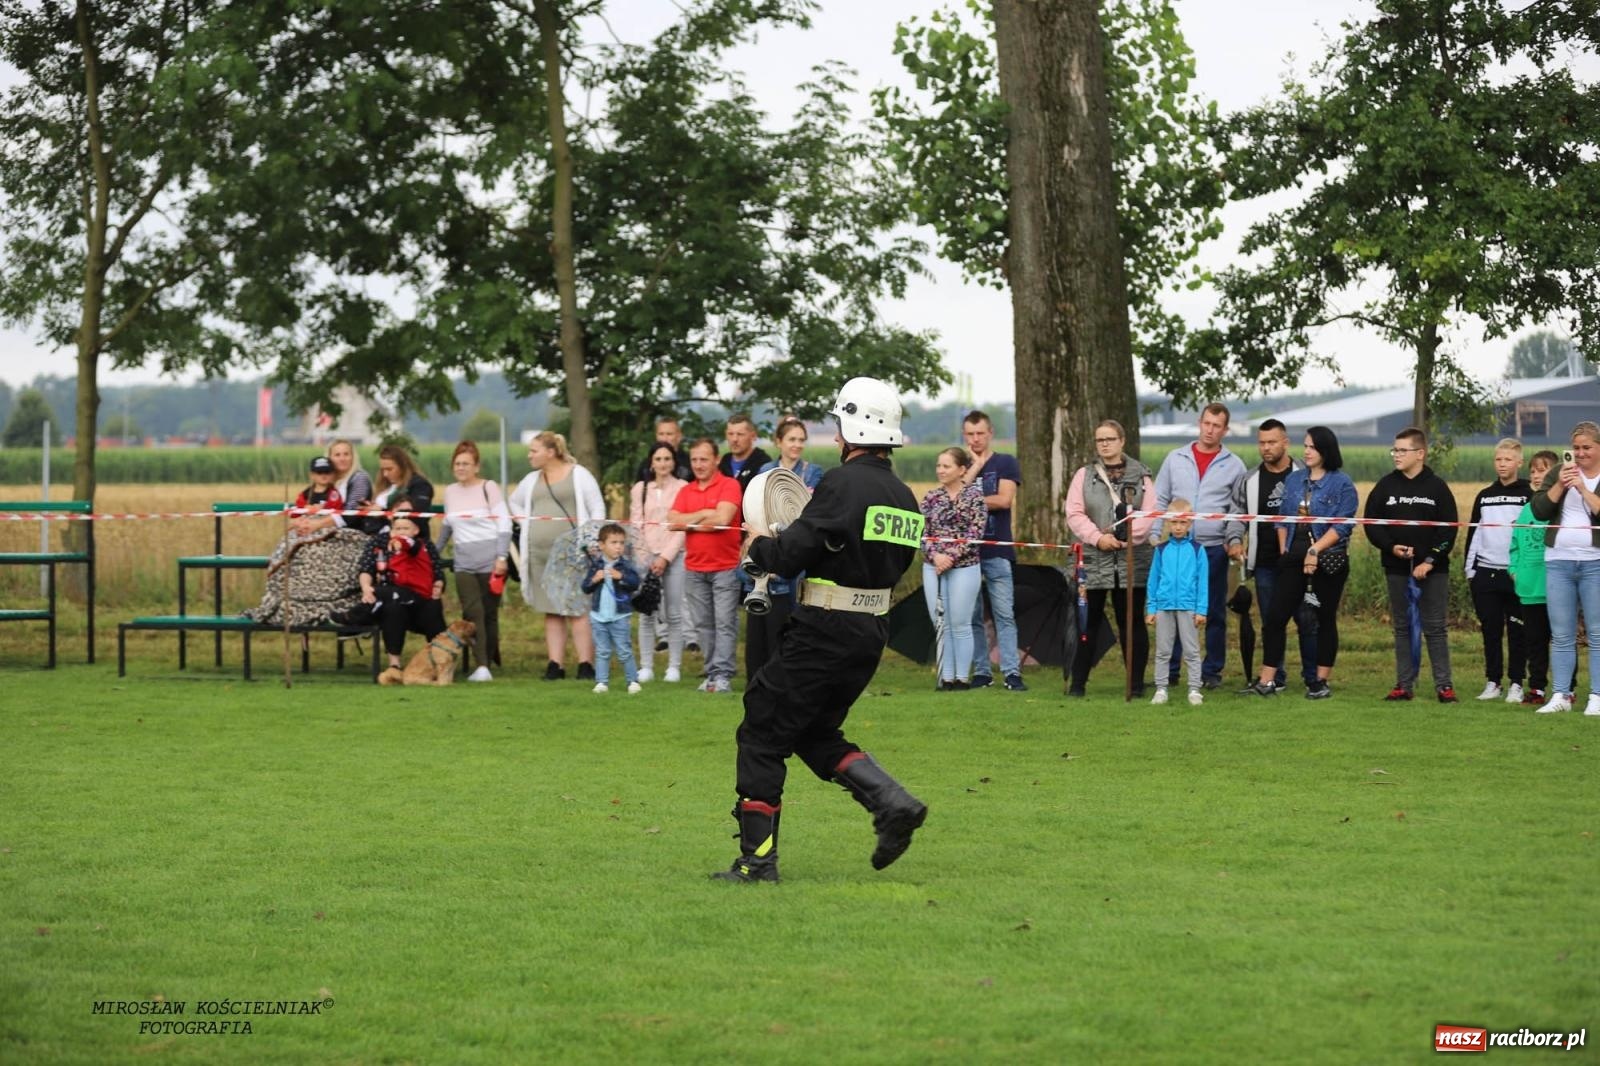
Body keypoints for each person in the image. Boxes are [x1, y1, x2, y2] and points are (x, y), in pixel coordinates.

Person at [713, 376, 927, 883]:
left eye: (839, 426)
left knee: (761, 729)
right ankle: (891, 802)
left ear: (855, 429)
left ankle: (756, 862)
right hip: (870, 630)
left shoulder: (840, 483)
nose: (835, 436)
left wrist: (758, 545)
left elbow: (789, 555)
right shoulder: (905, 497)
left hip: (825, 626)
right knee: (812, 731)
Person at [1245, 426, 1359, 701]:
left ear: (1325, 450)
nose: (1306, 451)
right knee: (1275, 618)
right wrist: (1285, 550)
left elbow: (1342, 526)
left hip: (1328, 559)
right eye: (1305, 446)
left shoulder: (1342, 483)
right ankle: (1267, 680)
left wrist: (1315, 550)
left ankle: (1319, 681)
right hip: (1293, 558)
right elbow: (1282, 519)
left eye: (1312, 447)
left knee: (1322, 618)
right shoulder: (1295, 480)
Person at [1154, 403, 1247, 689]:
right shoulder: (1175, 458)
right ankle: (1171, 671)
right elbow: (1160, 499)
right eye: (1207, 423)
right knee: (1173, 606)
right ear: (1199, 423)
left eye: (1216, 426)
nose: (1210, 430)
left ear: (1225, 430)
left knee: (1214, 610)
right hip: (1176, 546)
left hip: (1213, 548)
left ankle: (1211, 672)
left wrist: (1233, 540)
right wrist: (1156, 535)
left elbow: (1237, 509)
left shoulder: (1235, 465)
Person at [1364, 426, 1459, 703]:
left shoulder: (1437, 488)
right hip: (1397, 568)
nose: (1396, 455)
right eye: (1394, 450)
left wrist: (1429, 560)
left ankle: (1444, 686)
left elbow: (1448, 530)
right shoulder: (1385, 486)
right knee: (1402, 627)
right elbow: (1372, 524)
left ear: (1420, 453)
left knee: (1435, 628)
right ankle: (1404, 685)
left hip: (1433, 570)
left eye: (1402, 450)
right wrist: (1391, 547)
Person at [1064, 419, 1156, 698]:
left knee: (1132, 623)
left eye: (1110, 439)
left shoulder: (1142, 475)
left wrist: (1127, 538)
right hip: (1094, 559)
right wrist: (1097, 538)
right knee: (1087, 622)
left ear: (1122, 441)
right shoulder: (1084, 475)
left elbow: (1149, 513)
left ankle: (1135, 685)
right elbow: (1074, 513)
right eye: (1099, 440)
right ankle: (1078, 684)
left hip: (1132, 559)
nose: (1104, 444)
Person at [1225, 419, 1315, 692]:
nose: (1266, 448)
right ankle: (1276, 677)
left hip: (1300, 562)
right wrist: (1234, 540)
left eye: (1272, 442)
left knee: (1306, 620)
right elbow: (1237, 515)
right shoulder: (1249, 479)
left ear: (1285, 443)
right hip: (1265, 563)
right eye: (1262, 443)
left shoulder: (1307, 474)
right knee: (1271, 622)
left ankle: (1313, 678)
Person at [509, 431, 605, 681]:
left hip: (572, 554)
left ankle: (586, 664)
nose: (529, 455)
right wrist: (527, 523)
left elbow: (597, 507)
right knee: (550, 609)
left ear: (551, 452)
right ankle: (555, 664)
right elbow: (514, 502)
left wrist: (592, 539)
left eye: (534, 450)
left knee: (577, 607)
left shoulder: (579, 474)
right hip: (539, 554)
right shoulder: (531, 480)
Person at [744, 417, 827, 679]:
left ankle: (789, 675)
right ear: (778, 441)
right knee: (759, 624)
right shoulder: (765, 470)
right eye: (792, 439)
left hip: (795, 551)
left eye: (801, 440)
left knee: (789, 620)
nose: (797, 445)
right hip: (764, 545)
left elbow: (811, 513)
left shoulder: (813, 473)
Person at [1530, 421, 1600, 716]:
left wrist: (1582, 488)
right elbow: (1539, 511)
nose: (1580, 453)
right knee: (1561, 634)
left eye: (1587, 448)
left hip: (1595, 563)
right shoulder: (1559, 472)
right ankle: (1561, 695)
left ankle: (1597, 696)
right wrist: (1560, 484)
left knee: (1597, 633)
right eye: (1576, 448)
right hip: (1558, 561)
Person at [669, 438, 743, 693]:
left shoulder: (729, 485)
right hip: (694, 568)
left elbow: (722, 519)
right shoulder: (686, 490)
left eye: (704, 459)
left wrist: (690, 520)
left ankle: (723, 675)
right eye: (694, 460)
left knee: (724, 622)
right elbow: (672, 522)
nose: (698, 465)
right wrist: (703, 513)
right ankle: (711, 673)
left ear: (716, 460)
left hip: (726, 567)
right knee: (702, 624)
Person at [1463, 438, 1533, 702]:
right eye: (1498, 459)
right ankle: (1493, 681)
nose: (1502, 464)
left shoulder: (1529, 494)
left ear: (1519, 462)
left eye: (1508, 459)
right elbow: (1474, 534)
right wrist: (1471, 571)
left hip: (1516, 574)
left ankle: (1516, 682)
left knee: (1518, 631)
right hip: (1485, 572)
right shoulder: (1484, 496)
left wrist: (1526, 571)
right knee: (1490, 631)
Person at [436, 440, 511, 681]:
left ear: (476, 467)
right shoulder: (450, 492)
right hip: (464, 563)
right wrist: (434, 552)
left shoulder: (489, 488)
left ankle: (486, 663)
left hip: (491, 561)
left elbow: (504, 523)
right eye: (457, 463)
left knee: (489, 614)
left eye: (466, 463)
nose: (461, 468)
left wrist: (502, 557)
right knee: (473, 612)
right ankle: (482, 666)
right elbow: (447, 525)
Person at [962, 409, 1026, 691]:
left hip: (997, 550)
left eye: (980, 433)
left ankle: (1011, 673)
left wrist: (968, 501)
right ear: (964, 435)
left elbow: (1004, 500)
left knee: (1004, 614)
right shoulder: (959, 463)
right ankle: (982, 672)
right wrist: (972, 469)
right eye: (970, 434)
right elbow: (949, 499)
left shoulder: (1005, 462)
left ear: (990, 433)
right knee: (972, 616)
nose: (975, 439)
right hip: (965, 555)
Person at [920, 446, 987, 690]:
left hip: (965, 566)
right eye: (939, 465)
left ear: (961, 470)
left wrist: (950, 557)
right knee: (941, 623)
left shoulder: (974, 497)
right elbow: (920, 531)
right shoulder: (930, 498)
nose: (941, 470)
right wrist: (935, 556)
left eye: (946, 466)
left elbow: (975, 532)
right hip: (933, 566)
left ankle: (961, 678)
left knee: (960, 622)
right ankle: (945, 678)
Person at [357, 507, 447, 677]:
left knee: (433, 606)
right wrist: (366, 587)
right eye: (397, 528)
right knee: (393, 608)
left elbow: (437, 572)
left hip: (419, 596)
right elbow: (365, 569)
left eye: (406, 528)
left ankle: (439, 661)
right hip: (389, 595)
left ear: (416, 530)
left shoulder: (422, 545)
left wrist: (438, 585)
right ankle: (394, 665)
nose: (401, 532)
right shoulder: (378, 542)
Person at [630, 442, 688, 683]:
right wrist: (645, 557)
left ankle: (674, 666)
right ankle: (646, 666)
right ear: (651, 463)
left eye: (667, 459)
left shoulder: (683, 487)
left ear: (673, 462)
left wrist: (665, 557)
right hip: (646, 556)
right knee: (646, 613)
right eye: (658, 459)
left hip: (675, 556)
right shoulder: (640, 488)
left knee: (674, 613)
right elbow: (636, 524)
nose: (663, 463)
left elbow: (682, 527)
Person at [1146, 499, 1208, 706]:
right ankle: (1161, 688)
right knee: (1163, 651)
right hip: (1164, 607)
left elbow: (1203, 582)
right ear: (1168, 523)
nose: (1178, 527)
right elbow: (1153, 580)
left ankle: (1194, 689)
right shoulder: (1161, 550)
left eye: (1183, 522)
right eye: (1174, 522)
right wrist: (1151, 608)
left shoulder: (1198, 550)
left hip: (1188, 606)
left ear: (1190, 523)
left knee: (1191, 651)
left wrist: (1201, 610)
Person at [1509, 450, 1559, 707]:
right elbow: (1515, 545)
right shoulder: (1526, 511)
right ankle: (1537, 688)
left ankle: (1566, 689)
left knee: (1561, 641)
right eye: (1533, 471)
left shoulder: (1561, 509)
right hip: (1529, 588)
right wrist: (1515, 570)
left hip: (1556, 587)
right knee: (1534, 643)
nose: (1537, 476)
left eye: (1543, 470)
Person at [581, 523, 643, 695]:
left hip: (619, 616)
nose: (618, 547)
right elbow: (585, 587)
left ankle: (632, 681)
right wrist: (594, 579)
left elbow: (635, 583)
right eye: (613, 542)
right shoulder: (596, 566)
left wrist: (621, 577)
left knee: (624, 650)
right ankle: (601, 682)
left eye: (621, 543)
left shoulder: (625, 566)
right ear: (601, 545)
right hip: (598, 616)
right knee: (602, 651)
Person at [365, 444, 435, 537]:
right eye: (382, 470)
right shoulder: (385, 486)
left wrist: (382, 512)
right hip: (373, 534)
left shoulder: (420, 485)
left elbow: (418, 516)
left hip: (401, 538)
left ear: (402, 466)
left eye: (389, 469)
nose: (385, 474)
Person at [719, 413, 772, 495]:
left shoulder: (763, 464)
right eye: (730, 434)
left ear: (753, 436)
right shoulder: (722, 462)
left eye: (740, 434)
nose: (734, 439)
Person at [292, 457, 345, 536]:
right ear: (312, 475)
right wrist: (305, 508)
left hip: (324, 527)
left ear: (332, 474)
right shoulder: (305, 494)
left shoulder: (334, 494)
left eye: (327, 472)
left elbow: (337, 512)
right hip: (304, 526)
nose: (323, 475)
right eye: (319, 472)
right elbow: (295, 513)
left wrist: (323, 508)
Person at [327, 438, 373, 528]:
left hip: (352, 530)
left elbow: (350, 513)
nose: (342, 459)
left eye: (346, 454)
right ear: (330, 458)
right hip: (328, 526)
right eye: (337, 455)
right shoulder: (327, 480)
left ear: (353, 457)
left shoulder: (360, 477)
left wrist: (317, 524)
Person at [632, 416, 692, 484]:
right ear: (656, 436)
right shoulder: (646, 465)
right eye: (661, 434)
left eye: (669, 434)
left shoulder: (690, 463)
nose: (664, 438)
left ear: (679, 437)